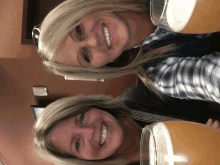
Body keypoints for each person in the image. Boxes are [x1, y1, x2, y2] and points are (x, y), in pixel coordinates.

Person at [33, 0, 220, 104]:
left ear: (82, 7)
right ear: (99, 67)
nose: (93, 41)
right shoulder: (160, 74)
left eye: (78, 30)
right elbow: (212, 78)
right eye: (85, 56)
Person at [33, 95, 220, 165]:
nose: (89, 132)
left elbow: (209, 104)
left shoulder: (138, 100)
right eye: (77, 143)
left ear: (89, 105)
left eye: (81, 118)